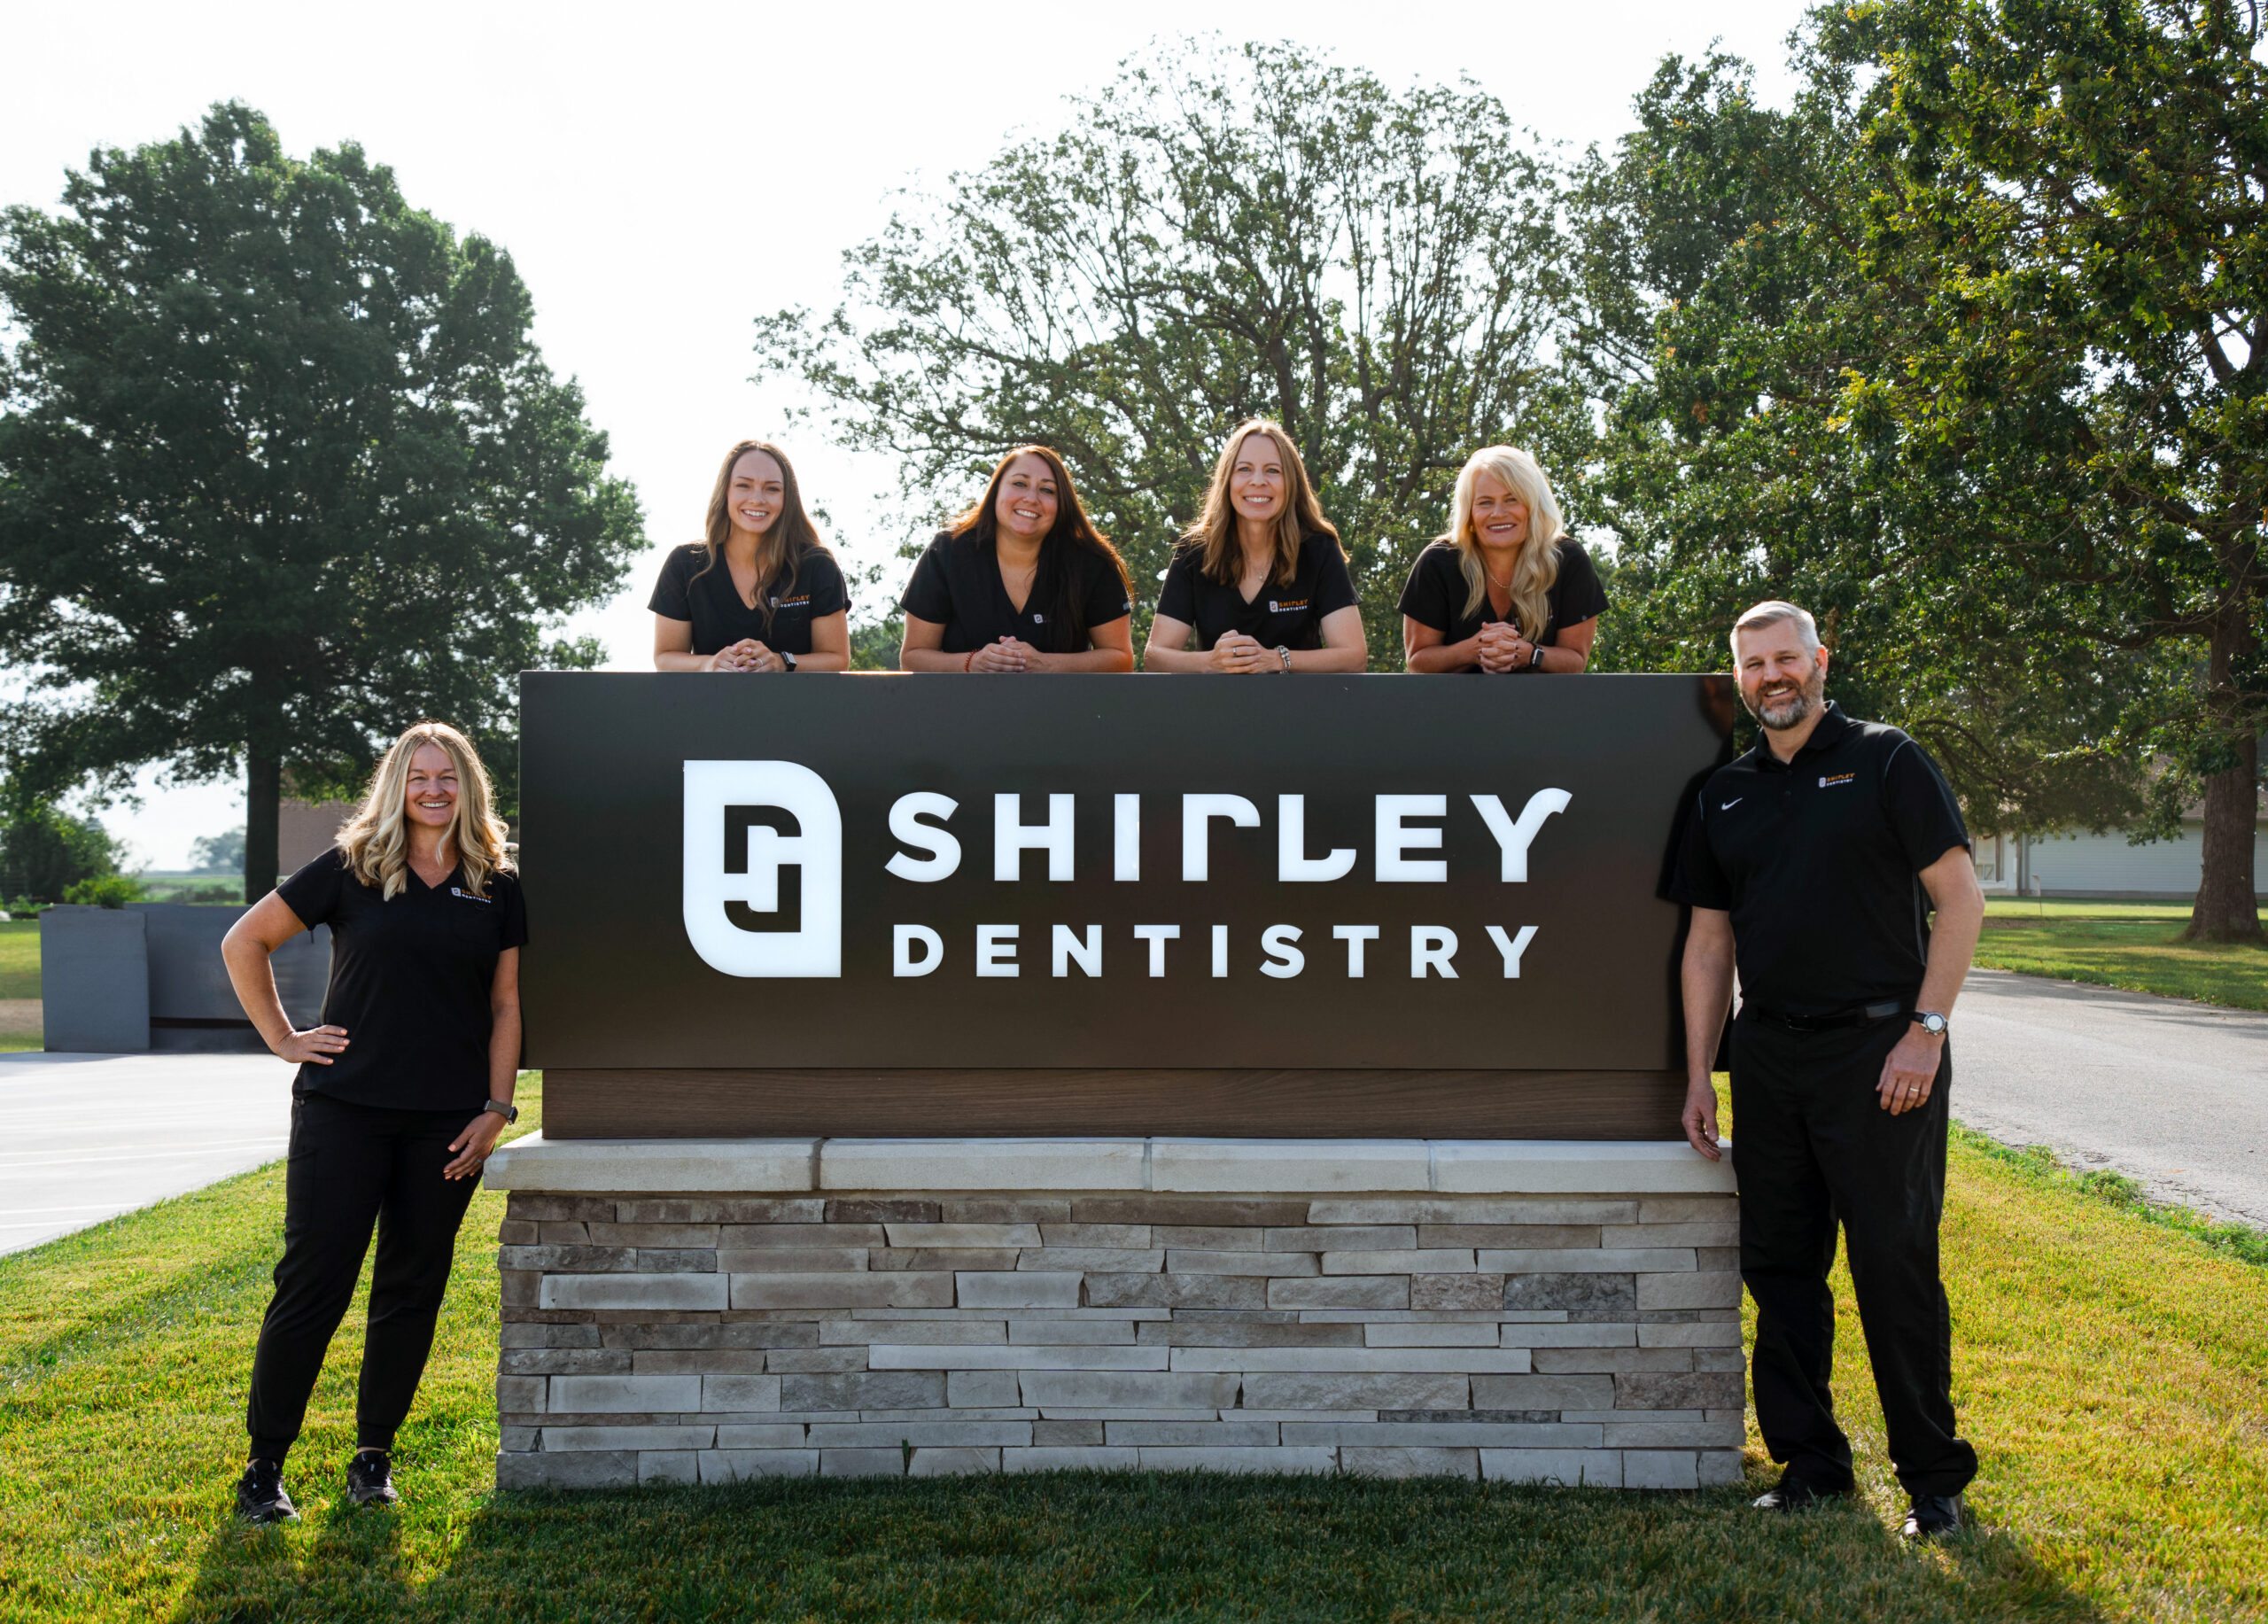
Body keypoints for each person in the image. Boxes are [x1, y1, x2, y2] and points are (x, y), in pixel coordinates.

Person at [1669, 601, 1985, 1542]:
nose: (1772, 676)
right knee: (1781, 1266)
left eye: (1785, 659)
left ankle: (1933, 1481)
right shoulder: (1720, 794)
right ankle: (1811, 1464)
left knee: (1892, 1265)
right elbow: (1705, 945)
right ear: (1738, 679)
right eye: (1753, 665)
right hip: (1767, 1053)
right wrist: (1699, 1073)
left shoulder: (1887, 759)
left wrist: (1925, 1031)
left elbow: (1959, 900)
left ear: (1818, 661)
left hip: (1881, 1052)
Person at [221, 721, 527, 1522]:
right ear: (396, 785)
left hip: (447, 1126)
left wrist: (496, 1109)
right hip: (343, 1111)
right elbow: (244, 940)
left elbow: (506, 1002)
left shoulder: (497, 881)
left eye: (449, 776)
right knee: (312, 1285)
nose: (434, 789)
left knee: (411, 1287)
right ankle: (263, 1467)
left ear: (470, 788)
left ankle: (372, 1458)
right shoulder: (352, 867)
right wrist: (285, 1038)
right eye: (419, 776)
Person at [1142, 420, 1367, 673]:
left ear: (1291, 482)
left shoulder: (1319, 550)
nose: (1258, 481)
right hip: (1217, 709)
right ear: (1227, 479)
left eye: (1273, 471)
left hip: (1301, 710)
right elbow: (1155, 657)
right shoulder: (1193, 552)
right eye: (1245, 469)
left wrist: (1277, 660)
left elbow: (1354, 656)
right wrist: (1212, 662)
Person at [898, 445, 1135, 672]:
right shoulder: (947, 552)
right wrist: (974, 663)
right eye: (1019, 484)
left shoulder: (1092, 563)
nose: (1031, 498)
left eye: (1047, 490)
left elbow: (1121, 660)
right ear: (996, 490)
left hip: (1061, 711)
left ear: (1062, 505)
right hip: (961, 710)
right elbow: (913, 657)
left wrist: (1044, 665)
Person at [1398, 446, 1604, 673]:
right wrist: (1474, 650)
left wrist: (1528, 654)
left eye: (1512, 499)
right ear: (1469, 511)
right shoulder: (1438, 562)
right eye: (1485, 502)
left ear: (1533, 506)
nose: (1498, 513)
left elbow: (1575, 662)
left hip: (1543, 707)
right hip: (1454, 707)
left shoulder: (1569, 560)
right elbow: (1418, 662)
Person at [651, 439, 850, 672]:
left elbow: (837, 660)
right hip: (709, 708)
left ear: (788, 499)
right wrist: (710, 663)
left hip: (797, 708)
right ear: (725, 491)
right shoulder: (685, 564)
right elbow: (665, 657)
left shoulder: (817, 566)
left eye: (772, 488)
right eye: (744, 486)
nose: (757, 499)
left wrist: (781, 662)